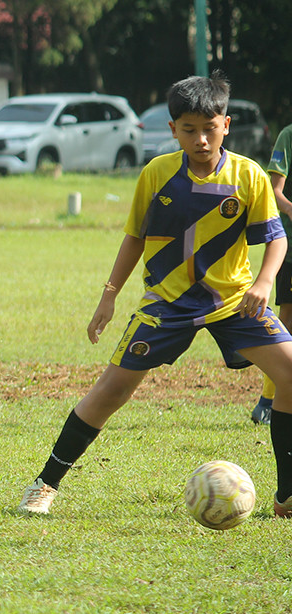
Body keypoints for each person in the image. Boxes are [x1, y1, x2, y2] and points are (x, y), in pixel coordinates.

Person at [17, 71, 292, 518]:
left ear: (226, 124)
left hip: (233, 302)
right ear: (172, 130)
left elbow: (275, 238)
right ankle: (45, 483)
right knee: (112, 390)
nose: (201, 139)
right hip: (167, 305)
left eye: (210, 127)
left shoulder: (250, 175)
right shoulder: (157, 174)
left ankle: (287, 496)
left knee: (291, 374)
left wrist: (263, 282)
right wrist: (108, 296)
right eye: (189, 130)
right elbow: (134, 238)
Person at [249, 121, 292, 426]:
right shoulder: (288, 135)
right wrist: (290, 208)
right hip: (290, 246)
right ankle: (268, 399)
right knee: (287, 317)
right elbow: (274, 191)